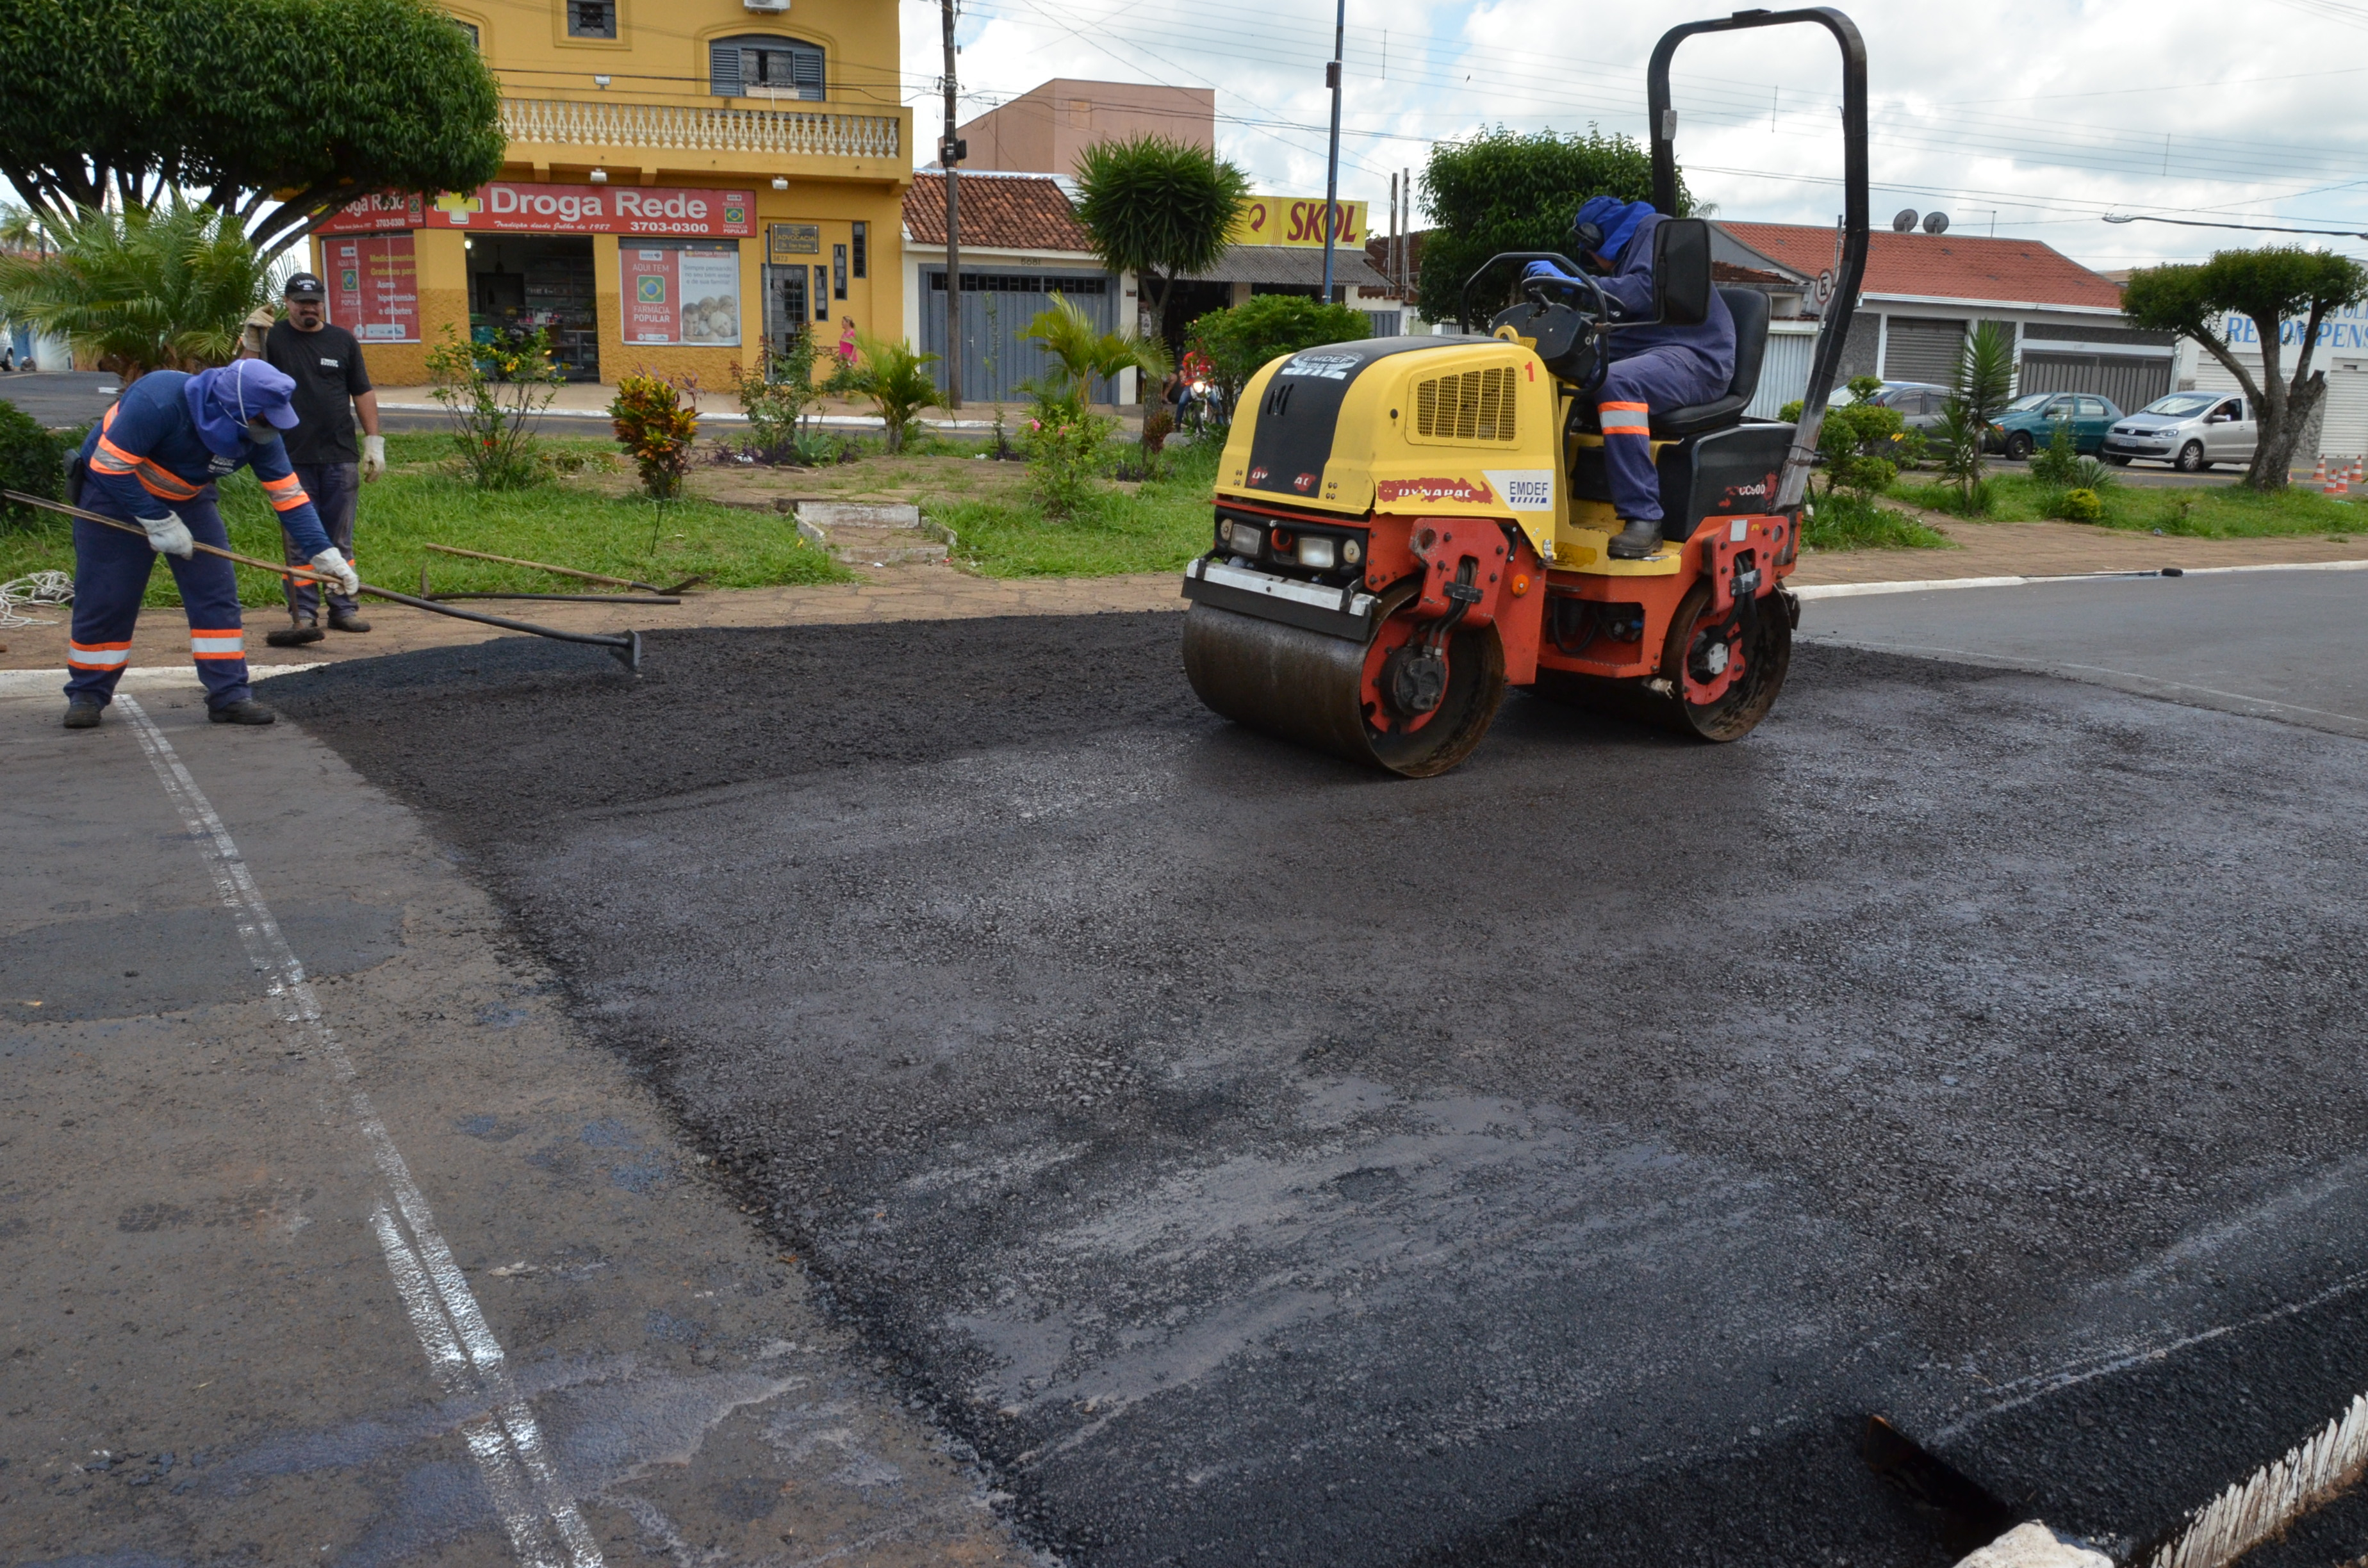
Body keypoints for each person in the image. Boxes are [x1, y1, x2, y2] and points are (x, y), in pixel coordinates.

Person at [62, 359, 358, 729]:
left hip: (189, 498)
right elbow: (108, 466)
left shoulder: (259, 433)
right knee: (108, 595)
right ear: (231, 410)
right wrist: (157, 519)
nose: (270, 430)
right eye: (264, 420)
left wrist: (323, 553)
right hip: (114, 495)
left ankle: (229, 696)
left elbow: (289, 495)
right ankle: (88, 693)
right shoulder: (160, 401)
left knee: (215, 594)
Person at [1525, 196, 1736, 559]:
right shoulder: (1628, 252)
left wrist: (1575, 280)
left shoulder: (1655, 229)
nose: (1589, 258)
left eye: (1587, 250)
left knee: (1618, 382)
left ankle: (1644, 518)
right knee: (1547, 366)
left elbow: (1640, 292)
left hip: (1696, 356)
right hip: (1647, 347)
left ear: (1595, 236)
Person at [262, 272, 382, 644]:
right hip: (289, 457)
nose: (308, 307)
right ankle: (304, 615)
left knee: (339, 539)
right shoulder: (274, 338)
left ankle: (344, 610)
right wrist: (252, 339)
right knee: (299, 541)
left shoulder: (342, 340)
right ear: (288, 303)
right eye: (301, 301)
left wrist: (373, 442)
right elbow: (244, 377)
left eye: (314, 301)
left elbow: (361, 391)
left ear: (323, 302)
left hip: (339, 455)